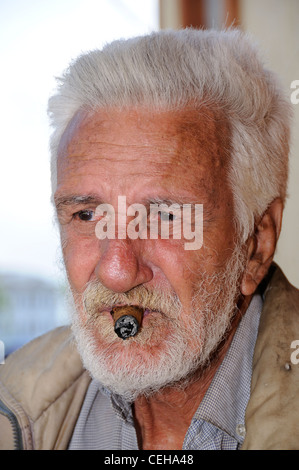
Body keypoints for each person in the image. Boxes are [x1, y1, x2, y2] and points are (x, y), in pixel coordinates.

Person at [0, 28, 299, 451]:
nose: (117, 271)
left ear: (256, 245)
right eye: (86, 214)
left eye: (164, 216)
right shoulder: (13, 404)